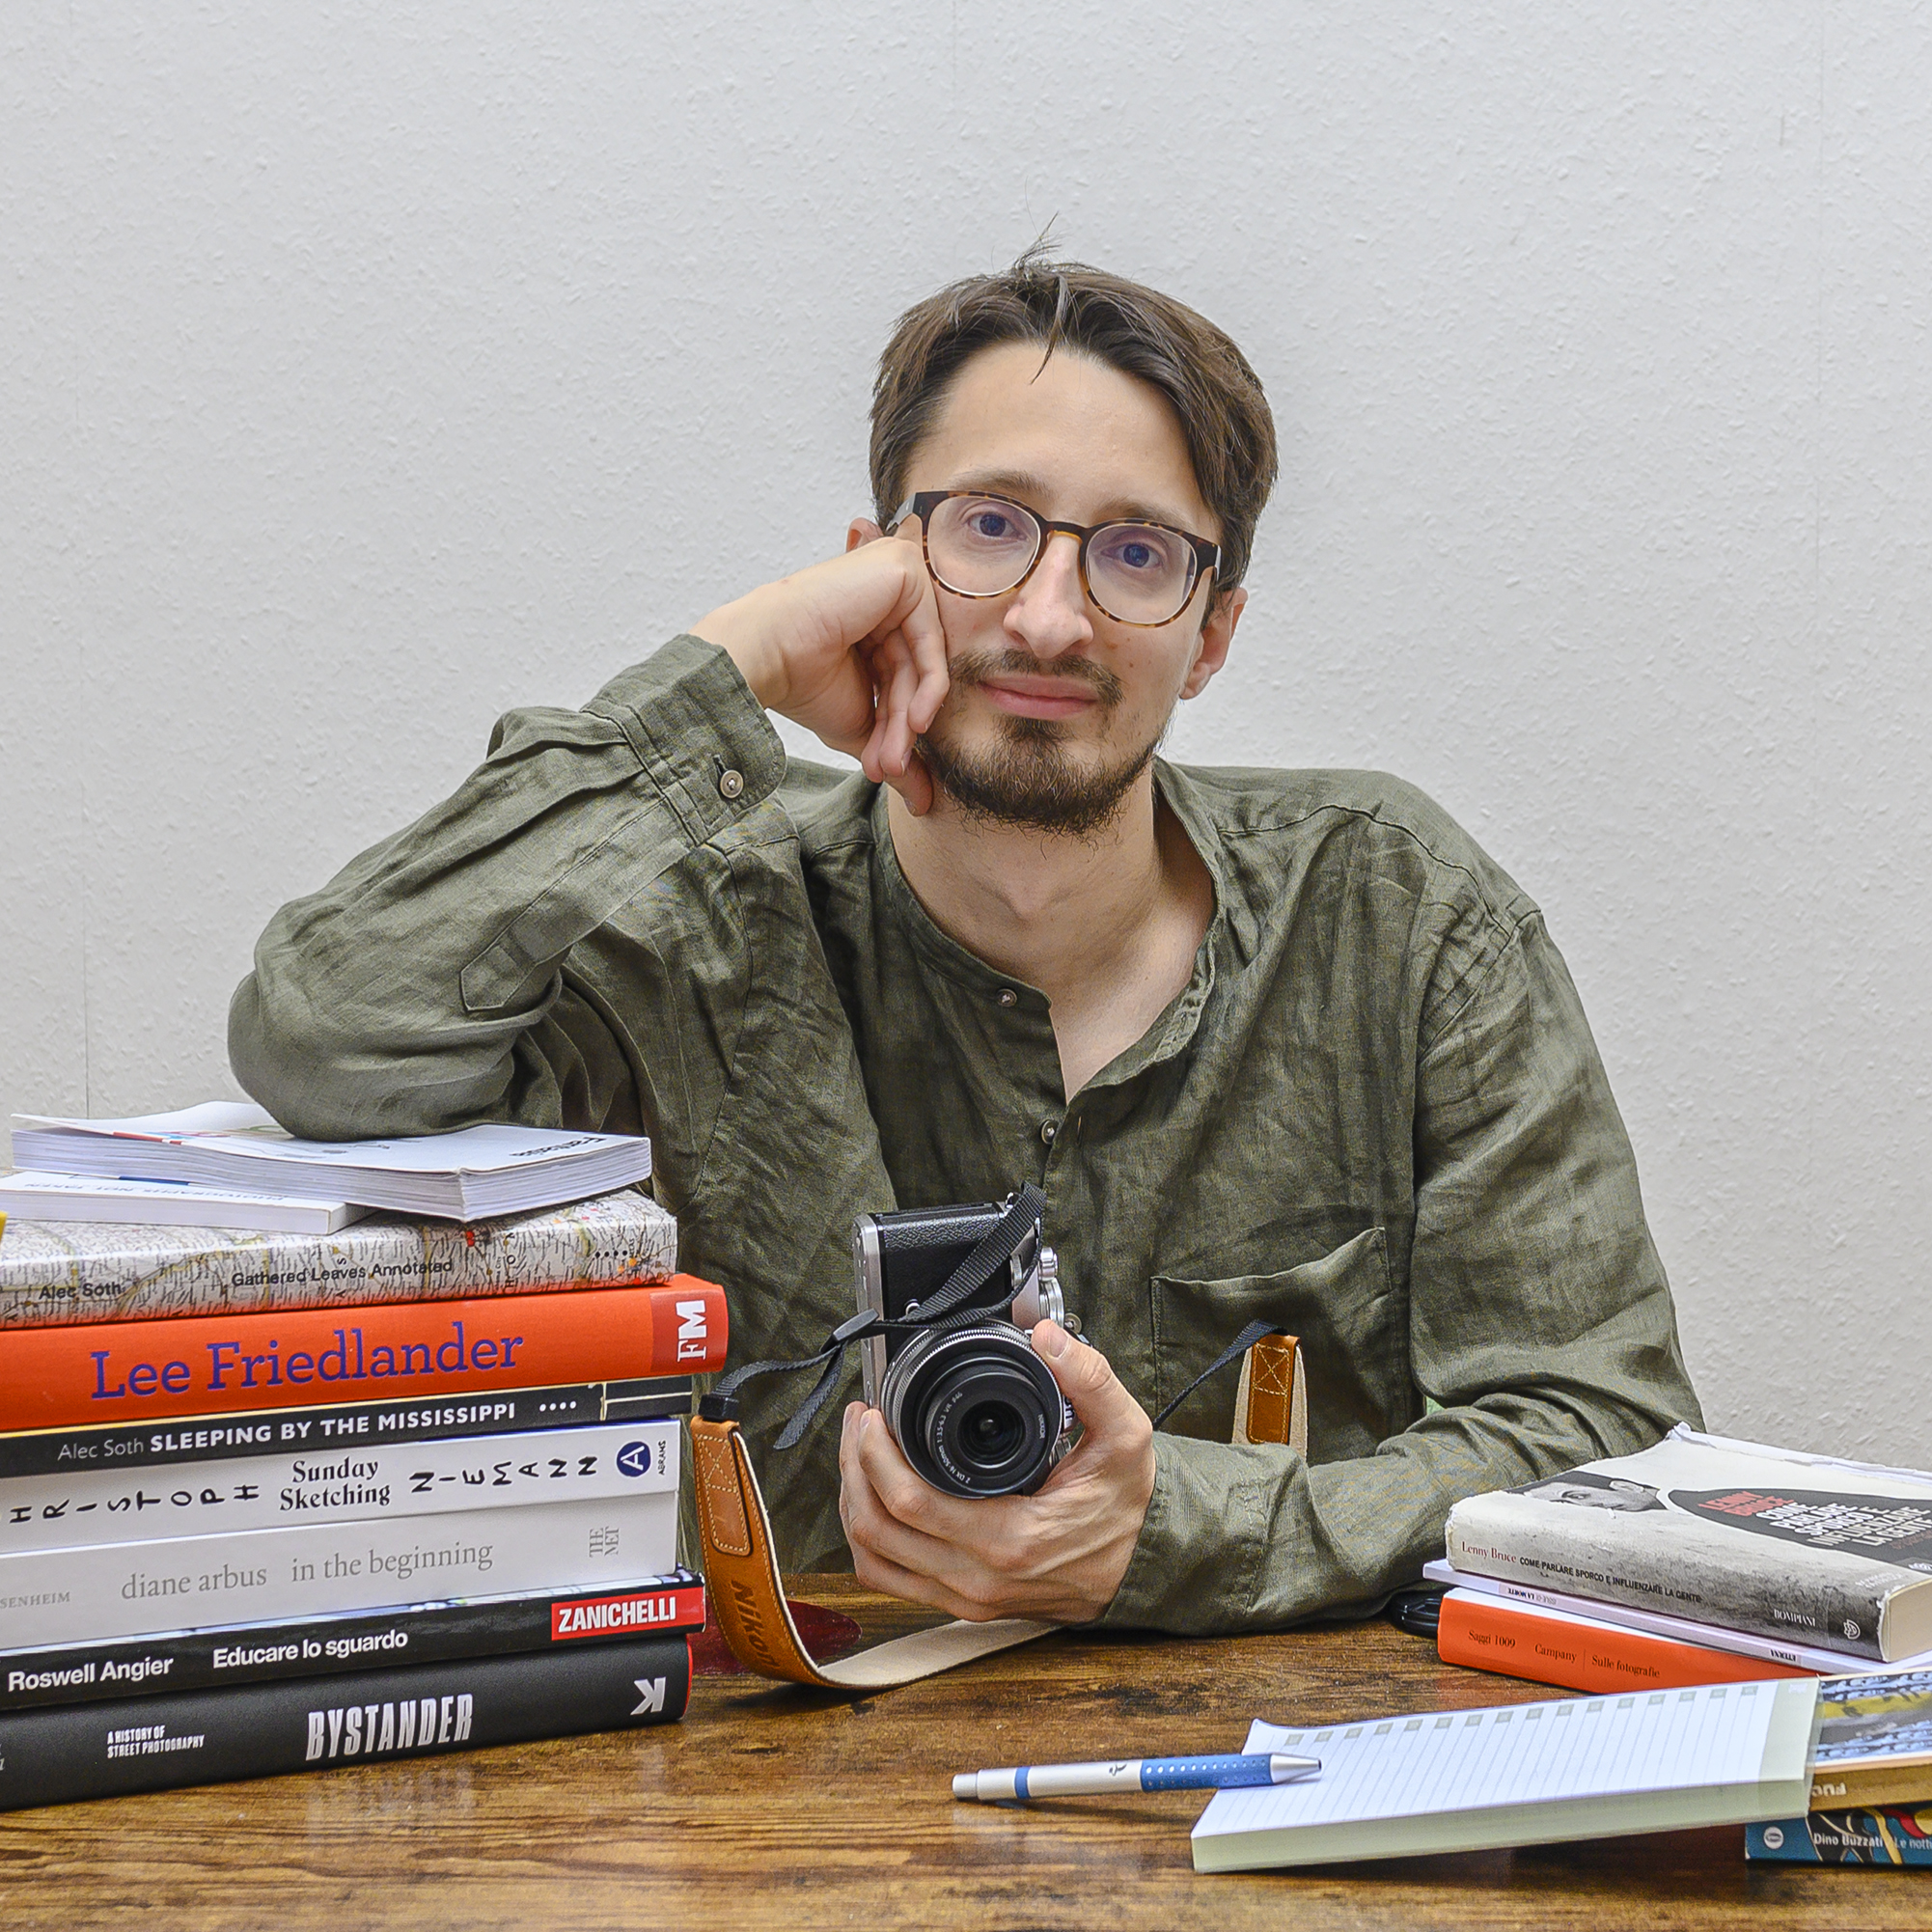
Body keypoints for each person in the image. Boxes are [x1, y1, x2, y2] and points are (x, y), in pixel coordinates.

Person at [230, 252, 1703, 1634]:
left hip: (1281, 1779)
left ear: (1210, 632)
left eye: (1136, 552)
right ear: (875, 564)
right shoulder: (696, 923)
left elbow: (1605, 1436)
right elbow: (328, 1042)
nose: (1050, 618)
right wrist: (727, 676)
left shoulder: (1394, 915)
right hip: (774, 1789)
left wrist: (1169, 1529)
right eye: (988, 527)